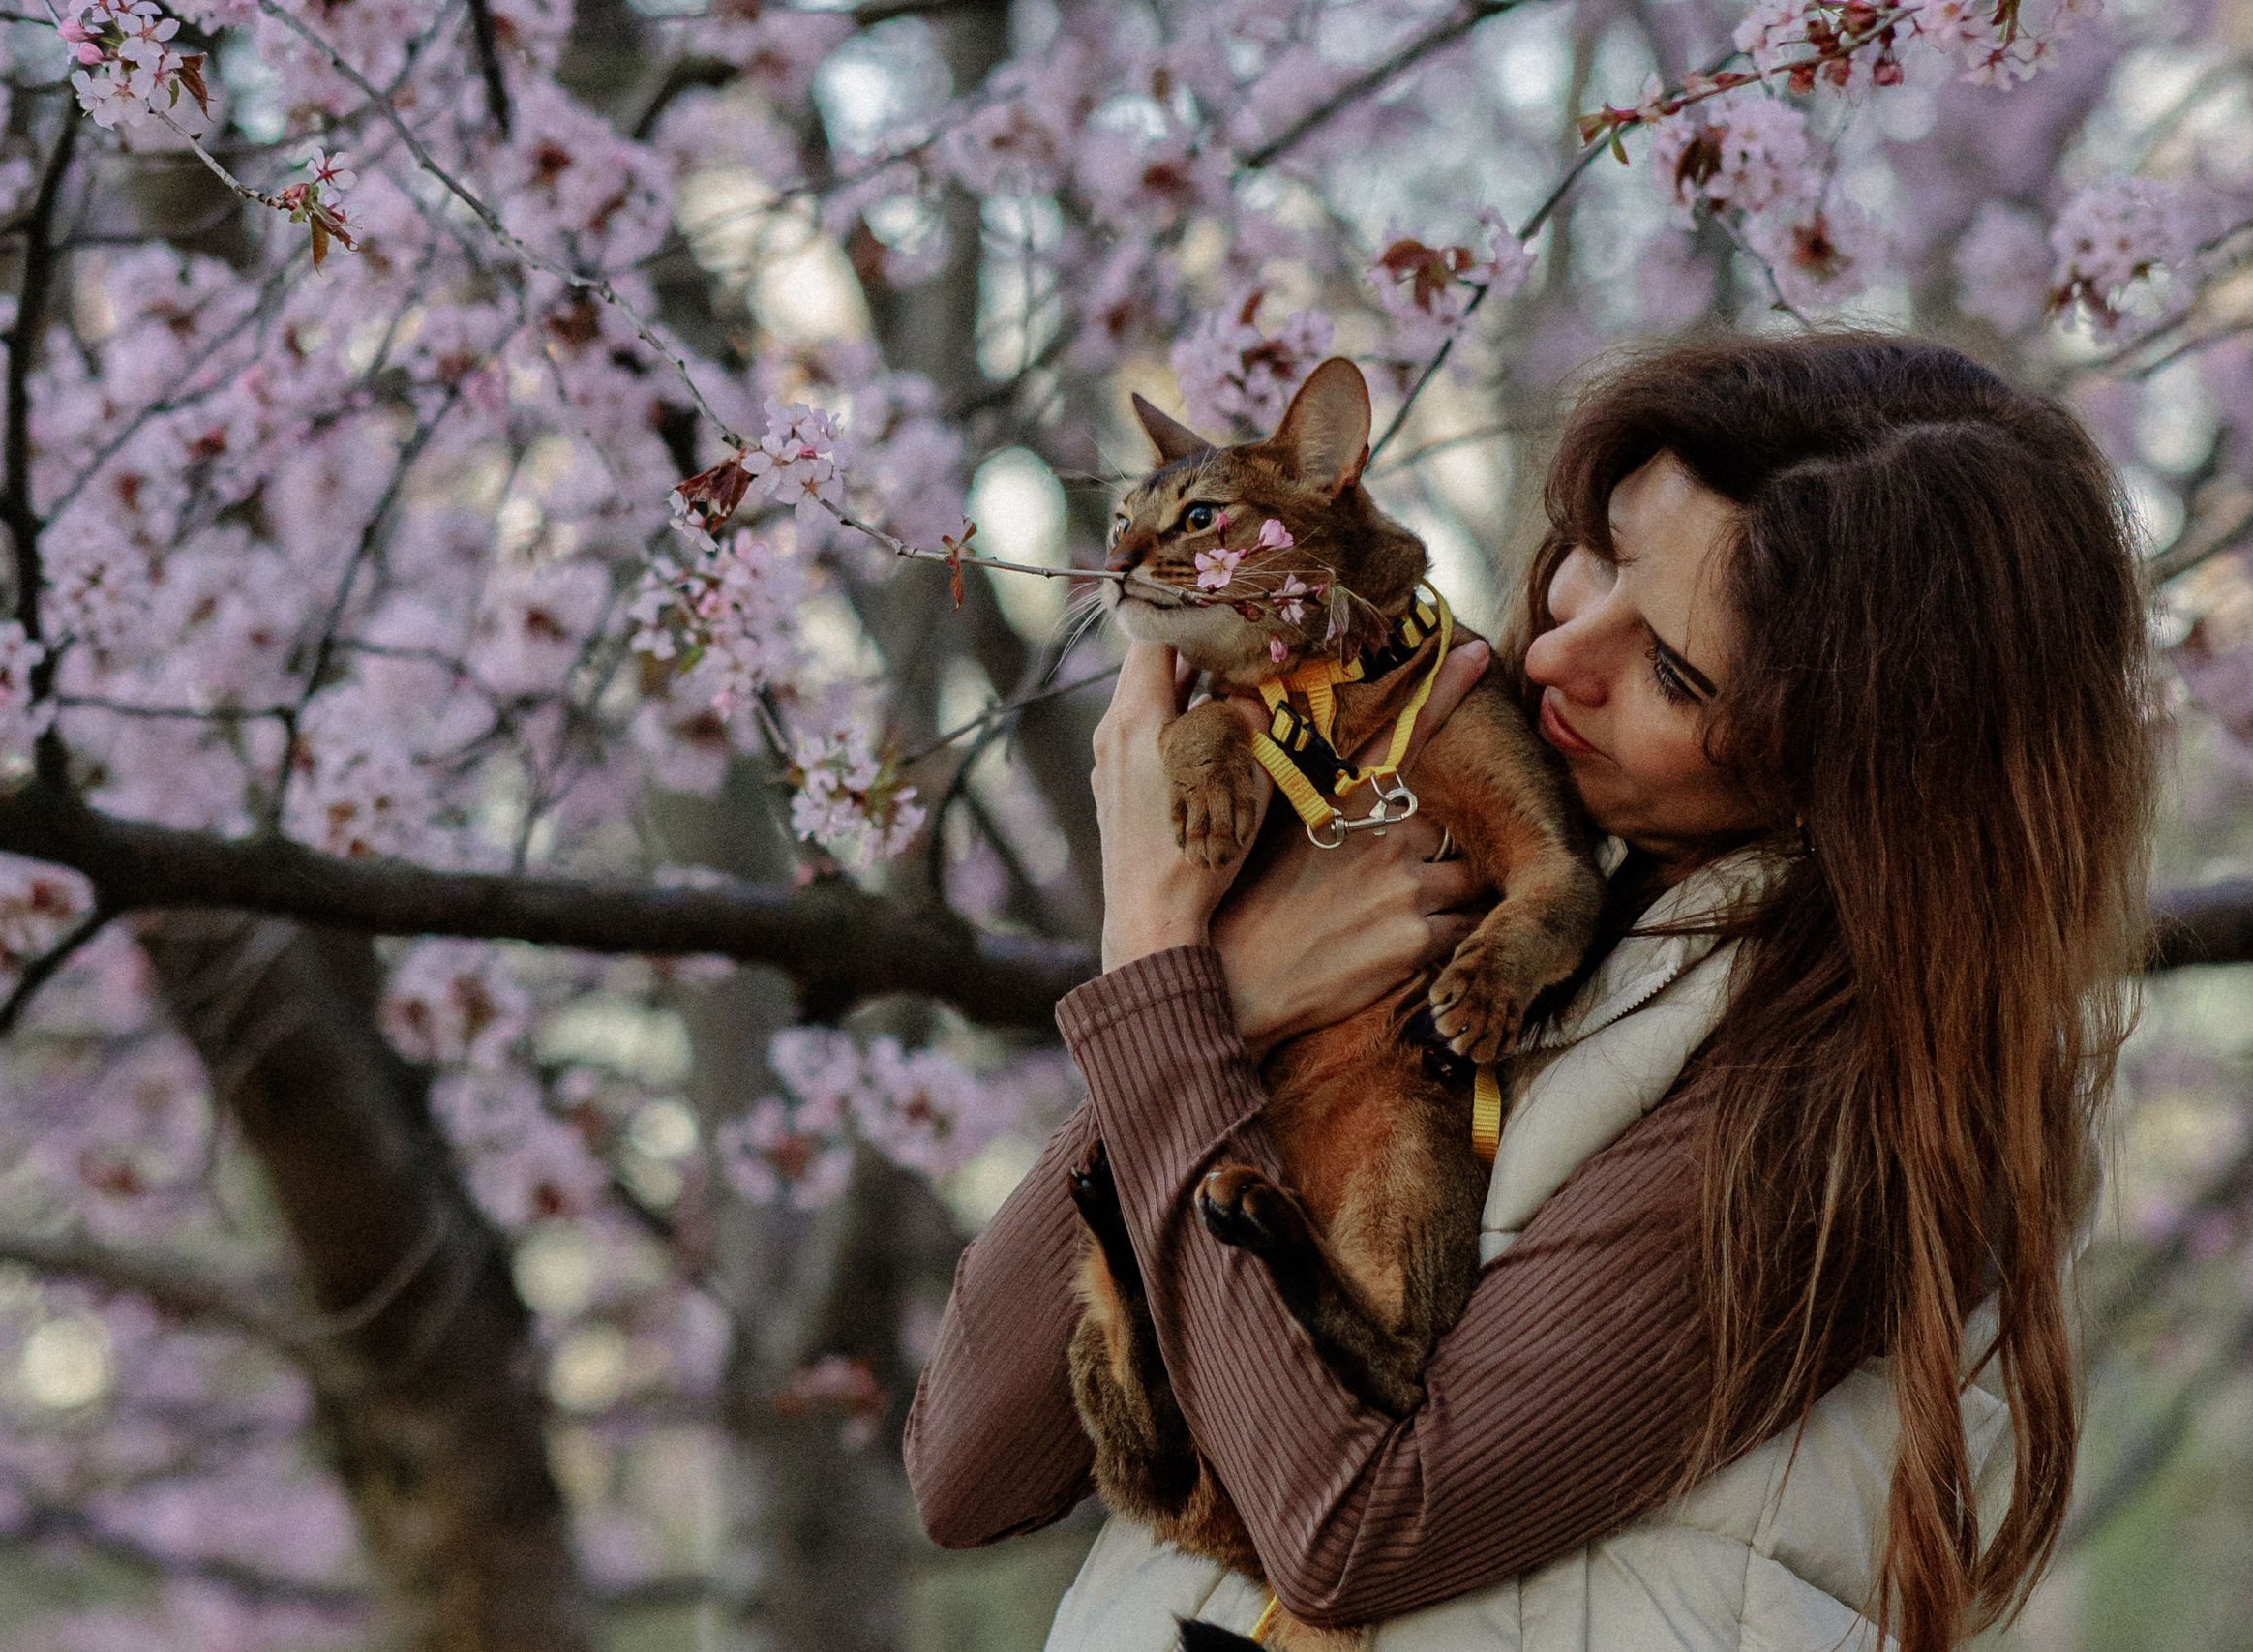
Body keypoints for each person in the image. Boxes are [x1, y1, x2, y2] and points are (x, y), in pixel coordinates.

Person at [904, 333, 2153, 1652]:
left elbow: (1354, 1525)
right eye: (1595, 554)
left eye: (1673, 672)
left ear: (1862, 768)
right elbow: (971, 1469)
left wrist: (1158, 957)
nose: (1559, 654)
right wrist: (1228, 997)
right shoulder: (1402, 852)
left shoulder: (1839, 1095)